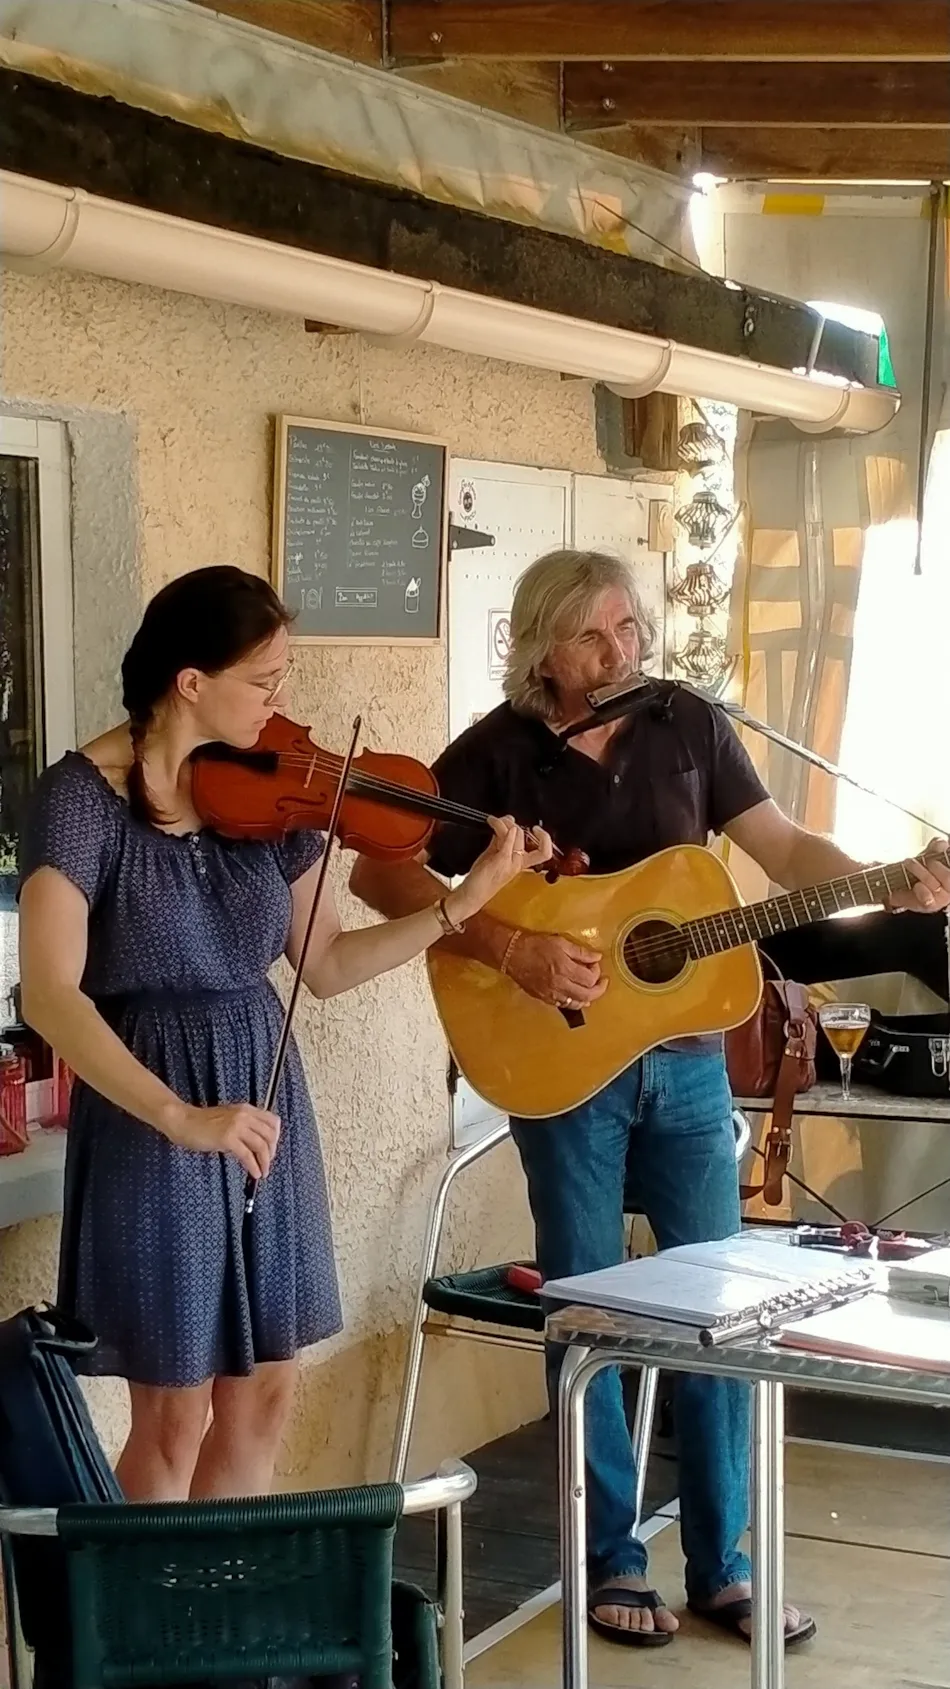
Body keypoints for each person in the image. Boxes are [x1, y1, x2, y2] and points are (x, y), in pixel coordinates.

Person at [349, 547, 950, 1651]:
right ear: (544, 647)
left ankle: (723, 1563)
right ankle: (608, 1561)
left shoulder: (688, 726)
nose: (623, 651)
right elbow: (380, 872)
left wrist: (882, 883)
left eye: (632, 629)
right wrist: (514, 946)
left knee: (725, 1308)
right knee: (590, 1311)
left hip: (682, 1058)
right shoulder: (491, 756)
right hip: (554, 1064)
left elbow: (781, 846)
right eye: (597, 635)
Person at [17, 564, 551, 1505]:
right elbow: (53, 997)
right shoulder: (80, 799)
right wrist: (181, 1117)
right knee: (175, 1413)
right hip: (154, 1109)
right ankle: (152, 1633)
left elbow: (329, 964)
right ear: (191, 682)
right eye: (264, 682)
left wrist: (460, 907)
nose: (282, 702)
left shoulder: (270, 801)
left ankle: (231, 1627)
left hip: (264, 1097)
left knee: (265, 1392)